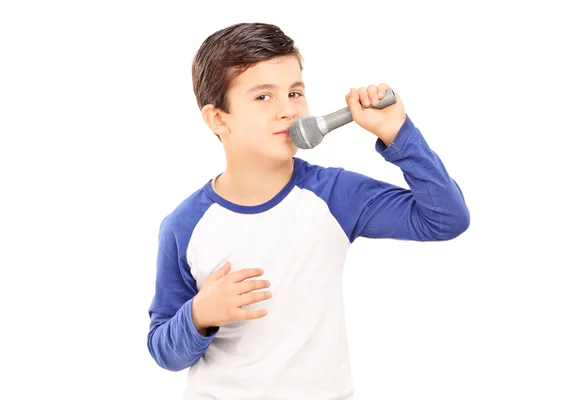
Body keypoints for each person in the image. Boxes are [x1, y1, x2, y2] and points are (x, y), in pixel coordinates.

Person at [147, 22, 470, 399]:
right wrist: (200, 315)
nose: (288, 110)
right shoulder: (184, 225)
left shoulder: (334, 194)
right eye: (263, 97)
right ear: (219, 118)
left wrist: (397, 133)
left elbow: (445, 219)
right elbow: (163, 351)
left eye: (295, 92)